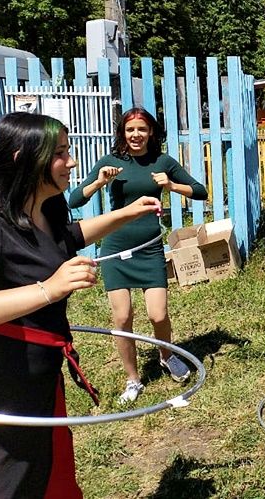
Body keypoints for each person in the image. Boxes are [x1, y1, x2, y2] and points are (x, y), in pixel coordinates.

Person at [0, 112, 162, 498]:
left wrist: (127, 213)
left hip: (41, 384)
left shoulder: (42, 211)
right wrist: (48, 289)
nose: (72, 162)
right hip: (0, 396)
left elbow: (68, 238)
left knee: (49, 480)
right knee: (9, 487)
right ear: (21, 158)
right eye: (60, 153)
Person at [69, 108, 207, 403]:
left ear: (151, 133)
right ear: (123, 133)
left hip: (150, 249)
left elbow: (200, 191)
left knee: (158, 314)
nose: (136, 135)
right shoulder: (110, 163)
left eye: (142, 129)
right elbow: (74, 198)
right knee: (123, 317)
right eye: (130, 130)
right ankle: (133, 380)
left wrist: (170, 185)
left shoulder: (163, 162)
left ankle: (166, 356)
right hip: (116, 250)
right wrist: (99, 182)